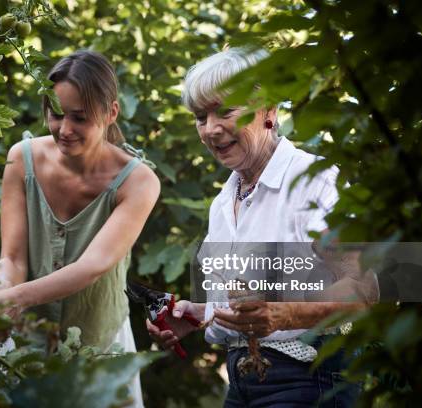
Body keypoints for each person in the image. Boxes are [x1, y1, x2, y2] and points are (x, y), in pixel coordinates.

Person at [146, 48, 378, 407]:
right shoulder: (224, 202)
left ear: (268, 110)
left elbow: (365, 290)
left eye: (225, 111)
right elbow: (245, 305)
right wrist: (200, 315)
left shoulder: (313, 181)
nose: (211, 129)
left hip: (311, 378)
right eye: (200, 117)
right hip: (242, 381)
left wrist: (285, 313)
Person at [0, 50, 160, 408]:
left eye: (79, 118)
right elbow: (13, 256)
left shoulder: (138, 182)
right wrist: (2, 287)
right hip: (28, 344)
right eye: (56, 114)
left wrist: (14, 298)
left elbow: (93, 265)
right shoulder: (22, 158)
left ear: (110, 112)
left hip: (101, 343)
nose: (65, 129)